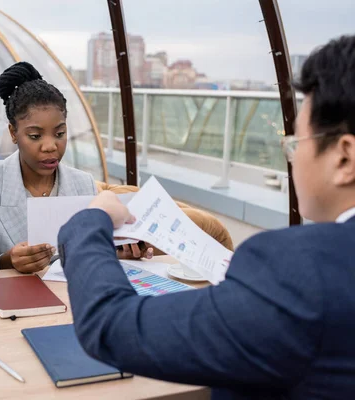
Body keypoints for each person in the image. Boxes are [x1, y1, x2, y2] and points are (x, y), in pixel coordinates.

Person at [58, 35, 355, 398]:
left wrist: (91, 221)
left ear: (344, 157)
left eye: (295, 145)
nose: (293, 162)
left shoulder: (300, 271)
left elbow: (113, 327)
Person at [0, 61, 101, 274]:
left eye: (59, 134)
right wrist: (7, 261)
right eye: (35, 136)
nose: (50, 146)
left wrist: (122, 249)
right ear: (13, 133)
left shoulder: (83, 183)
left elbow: (92, 253)